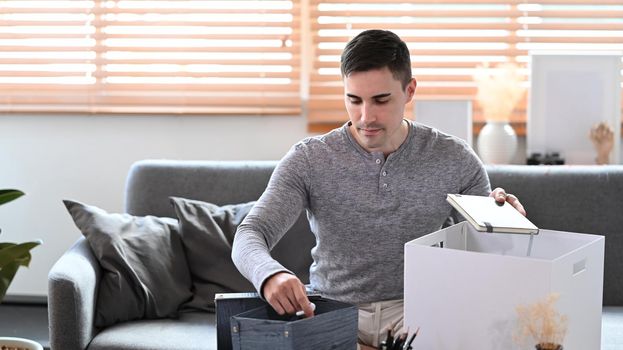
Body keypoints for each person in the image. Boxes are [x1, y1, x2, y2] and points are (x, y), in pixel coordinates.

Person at [232, 29, 526, 349]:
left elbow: (486, 253)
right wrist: (269, 275)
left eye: (380, 100)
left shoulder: (455, 158)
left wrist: (506, 223)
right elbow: (251, 232)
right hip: (331, 311)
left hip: (417, 312)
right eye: (353, 100)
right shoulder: (309, 158)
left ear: (409, 90)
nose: (366, 117)